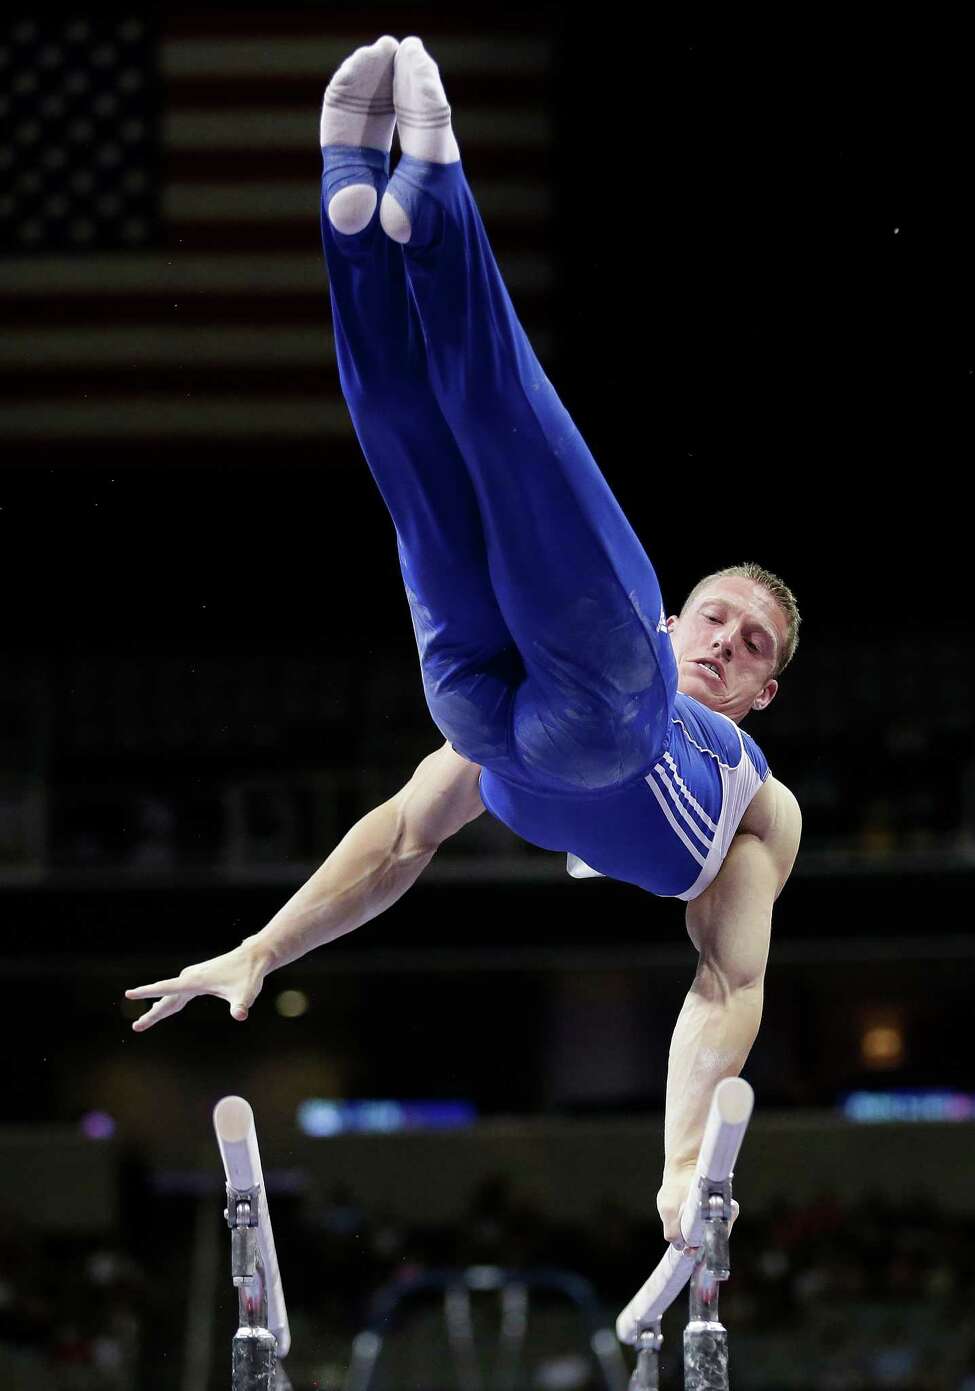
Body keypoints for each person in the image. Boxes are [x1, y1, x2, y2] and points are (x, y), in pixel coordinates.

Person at [125, 37, 802, 1252]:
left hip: (547, 715)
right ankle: (381, 185)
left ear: (761, 692)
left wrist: (681, 1159)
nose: (724, 639)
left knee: (424, 472)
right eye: (713, 615)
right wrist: (264, 945)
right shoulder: (639, 631)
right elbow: (395, 841)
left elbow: (727, 984)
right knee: (474, 444)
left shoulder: (757, 802)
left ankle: (377, 207)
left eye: (751, 643)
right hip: (510, 715)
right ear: (673, 622)